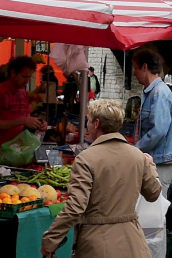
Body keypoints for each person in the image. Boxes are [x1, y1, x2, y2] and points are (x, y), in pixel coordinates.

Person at [41, 99, 162, 258]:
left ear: (96, 123)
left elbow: (75, 207)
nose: (87, 125)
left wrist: (50, 240)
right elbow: (153, 193)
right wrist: (151, 166)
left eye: (88, 120)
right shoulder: (137, 156)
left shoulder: (86, 159)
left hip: (98, 243)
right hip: (133, 243)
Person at [0, 56, 47, 163]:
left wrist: (39, 124)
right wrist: (22, 120)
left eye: (29, 77)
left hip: (18, 155)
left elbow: (26, 119)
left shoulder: (23, 94)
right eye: (24, 76)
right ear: (13, 73)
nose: (27, 81)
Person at [131, 50, 172, 187]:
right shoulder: (152, 92)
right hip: (155, 159)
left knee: (155, 205)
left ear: (145, 67)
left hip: (160, 162)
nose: (134, 73)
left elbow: (158, 130)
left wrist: (136, 149)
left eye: (136, 68)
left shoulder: (159, 93)